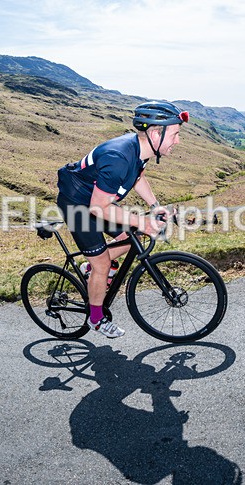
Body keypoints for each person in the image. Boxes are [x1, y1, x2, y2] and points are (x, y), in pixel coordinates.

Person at [56, 101, 187, 338]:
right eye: (175, 134)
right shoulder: (118, 157)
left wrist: (154, 206)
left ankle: (90, 267)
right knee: (103, 263)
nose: (177, 141)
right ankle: (96, 317)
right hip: (78, 206)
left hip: (97, 202)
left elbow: (138, 177)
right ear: (156, 133)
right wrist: (143, 221)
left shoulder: (140, 150)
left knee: (134, 235)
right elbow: (98, 208)